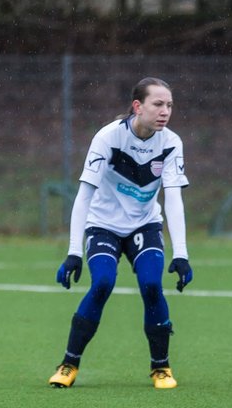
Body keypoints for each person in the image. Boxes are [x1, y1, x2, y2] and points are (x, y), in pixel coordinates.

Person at [47, 77, 193, 389]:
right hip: (104, 225)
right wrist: (74, 252)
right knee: (102, 283)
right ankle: (68, 364)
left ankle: (161, 368)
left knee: (152, 285)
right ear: (137, 106)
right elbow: (84, 195)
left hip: (144, 224)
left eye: (169, 105)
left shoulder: (171, 142)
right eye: (158, 104)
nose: (165, 111)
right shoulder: (108, 138)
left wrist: (181, 254)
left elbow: (174, 199)